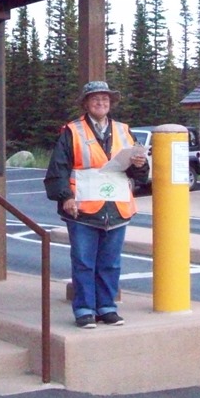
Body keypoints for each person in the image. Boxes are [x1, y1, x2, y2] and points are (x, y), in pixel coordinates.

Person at [44, 81, 148, 328]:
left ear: (111, 103)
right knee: (83, 262)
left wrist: (140, 164)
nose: (101, 103)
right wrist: (66, 197)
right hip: (82, 208)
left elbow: (140, 175)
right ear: (86, 103)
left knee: (110, 262)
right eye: (95, 99)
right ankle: (84, 310)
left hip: (117, 207)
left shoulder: (124, 131)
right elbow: (57, 169)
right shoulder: (71, 131)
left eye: (105, 99)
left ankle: (107, 307)